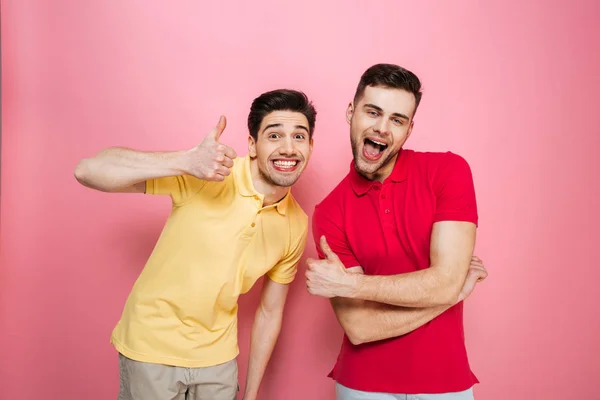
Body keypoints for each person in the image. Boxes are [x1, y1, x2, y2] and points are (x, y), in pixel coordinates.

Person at [74, 89, 316, 400]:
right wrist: (186, 161)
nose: (288, 148)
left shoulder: (296, 223)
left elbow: (270, 313)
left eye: (299, 137)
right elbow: (88, 171)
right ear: (252, 145)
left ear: (310, 146)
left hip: (219, 360)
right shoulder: (208, 173)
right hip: (152, 349)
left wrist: (252, 394)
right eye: (274, 135)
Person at [305, 63, 488, 400]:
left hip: (444, 380)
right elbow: (360, 328)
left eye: (397, 120)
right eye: (373, 112)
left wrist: (352, 284)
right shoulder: (329, 212)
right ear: (351, 112)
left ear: (409, 129)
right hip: (361, 384)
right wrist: (453, 293)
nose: (382, 128)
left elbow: (445, 281)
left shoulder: (448, 172)